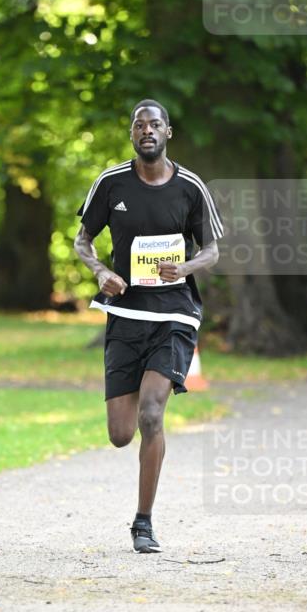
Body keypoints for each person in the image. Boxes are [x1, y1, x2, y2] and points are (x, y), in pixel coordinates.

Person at [74, 99, 223, 553]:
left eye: (155, 124)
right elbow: (82, 240)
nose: (147, 131)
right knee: (121, 434)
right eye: (140, 125)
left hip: (175, 315)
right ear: (132, 134)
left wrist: (187, 267)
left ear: (168, 132)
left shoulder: (190, 186)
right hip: (126, 315)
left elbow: (213, 250)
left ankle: (143, 523)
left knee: (152, 414)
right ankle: (139, 385)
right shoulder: (111, 182)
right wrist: (102, 273)